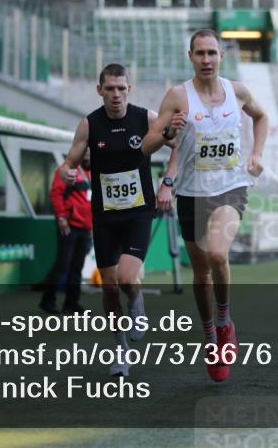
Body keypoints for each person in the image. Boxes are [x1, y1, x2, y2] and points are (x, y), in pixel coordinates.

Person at [142, 29, 268, 382]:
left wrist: (257, 153)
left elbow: (261, 117)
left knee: (216, 255)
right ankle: (210, 335)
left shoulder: (238, 92)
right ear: (191, 57)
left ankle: (225, 322)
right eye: (200, 53)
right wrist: (168, 132)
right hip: (192, 193)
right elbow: (147, 145)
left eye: (212, 53)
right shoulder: (177, 96)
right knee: (201, 273)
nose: (206, 59)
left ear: (221, 56)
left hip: (230, 188)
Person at [57, 63, 175, 377]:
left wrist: (167, 183)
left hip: (138, 211)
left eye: (121, 88)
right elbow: (68, 163)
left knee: (126, 279)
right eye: (109, 88)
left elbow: (178, 145)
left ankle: (136, 301)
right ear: (100, 90)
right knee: (109, 288)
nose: (116, 95)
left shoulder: (146, 118)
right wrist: (67, 172)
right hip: (105, 215)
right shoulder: (89, 124)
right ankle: (120, 350)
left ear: (129, 89)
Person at [39, 149, 94, 315]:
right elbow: (56, 194)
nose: (87, 155)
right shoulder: (66, 171)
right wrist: (61, 218)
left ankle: (71, 303)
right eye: (85, 152)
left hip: (86, 228)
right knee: (62, 265)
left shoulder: (93, 172)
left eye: (90, 152)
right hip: (69, 226)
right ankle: (47, 300)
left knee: (77, 267)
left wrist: (92, 226)